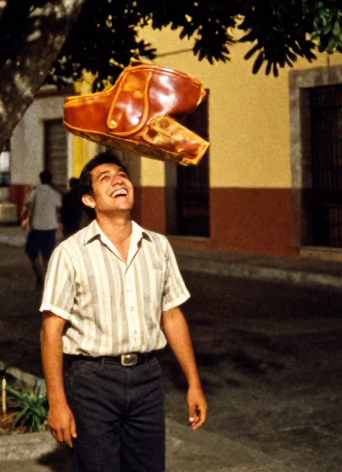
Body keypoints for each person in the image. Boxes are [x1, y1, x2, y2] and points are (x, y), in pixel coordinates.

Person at [39, 152, 208, 472]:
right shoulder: (70, 254)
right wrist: (57, 402)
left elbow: (171, 315)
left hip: (147, 379)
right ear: (90, 200)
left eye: (122, 174)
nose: (118, 180)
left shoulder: (158, 246)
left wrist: (194, 383)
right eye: (105, 178)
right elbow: (51, 330)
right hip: (92, 382)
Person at [21, 170, 63, 285]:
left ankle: (39, 276)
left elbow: (28, 205)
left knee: (31, 252)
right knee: (47, 256)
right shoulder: (55, 194)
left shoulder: (35, 192)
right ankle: (47, 279)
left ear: (40, 179)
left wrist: (27, 220)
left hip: (37, 228)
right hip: (50, 228)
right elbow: (59, 209)